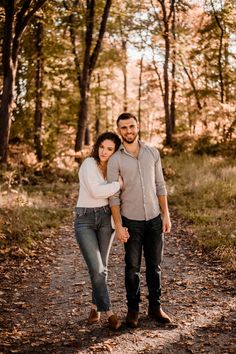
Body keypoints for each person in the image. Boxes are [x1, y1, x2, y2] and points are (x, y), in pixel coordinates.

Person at [107, 113, 172, 328]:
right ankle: (133, 309)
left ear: (138, 126)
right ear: (119, 130)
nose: (128, 131)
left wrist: (166, 214)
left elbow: (160, 185)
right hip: (131, 220)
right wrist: (118, 225)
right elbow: (113, 196)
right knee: (132, 267)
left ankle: (155, 307)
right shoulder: (115, 159)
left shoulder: (152, 153)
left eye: (131, 126)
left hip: (154, 219)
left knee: (155, 266)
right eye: (123, 127)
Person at [74, 132, 122, 330]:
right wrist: (117, 185)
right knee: (97, 268)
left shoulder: (113, 169)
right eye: (102, 147)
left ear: (115, 151)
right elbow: (96, 191)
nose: (104, 151)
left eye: (110, 149)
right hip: (84, 219)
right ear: (97, 146)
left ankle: (95, 307)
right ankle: (109, 311)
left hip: (105, 219)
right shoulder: (88, 164)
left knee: (102, 267)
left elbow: (115, 197)